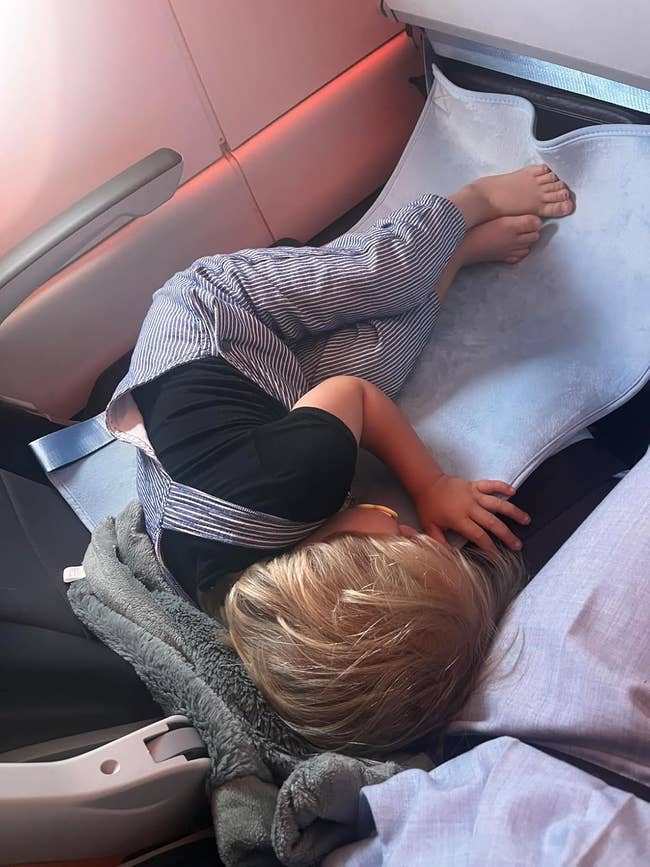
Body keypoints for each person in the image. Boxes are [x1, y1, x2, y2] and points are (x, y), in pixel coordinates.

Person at [106, 165, 574, 754]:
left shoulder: (308, 477)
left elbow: (354, 393)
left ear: (338, 549)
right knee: (388, 359)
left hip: (219, 316)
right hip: (266, 395)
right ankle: (451, 262)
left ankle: (468, 206)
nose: (404, 521)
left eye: (401, 533)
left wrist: (431, 485)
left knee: (388, 280)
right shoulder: (232, 598)